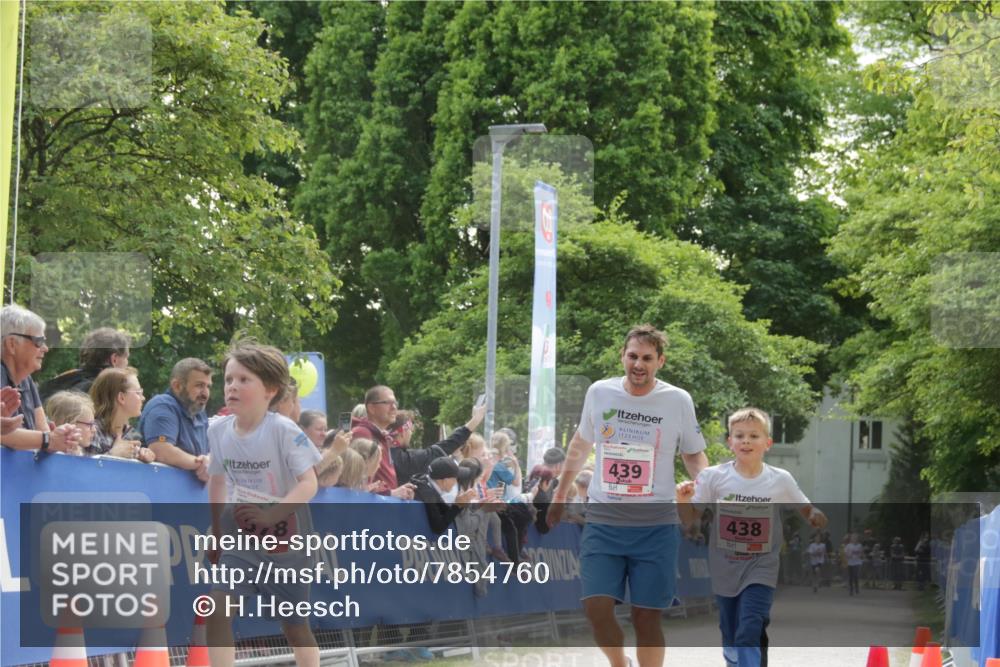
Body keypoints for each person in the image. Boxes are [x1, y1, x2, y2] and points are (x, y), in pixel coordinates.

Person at [547, 324, 709, 667]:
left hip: (656, 525)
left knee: (646, 617)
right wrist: (560, 494)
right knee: (595, 608)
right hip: (605, 521)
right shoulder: (599, 392)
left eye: (647, 358)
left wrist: (707, 493)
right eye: (632, 356)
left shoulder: (677, 400)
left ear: (660, 361)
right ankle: (619, 663)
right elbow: (580, 444)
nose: (638, 364)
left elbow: (693, 454)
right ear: (622, 356)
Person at [677, 407, 826, 667]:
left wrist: (814, 514)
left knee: (749, 627)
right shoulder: (713, 477)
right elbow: (689, 522)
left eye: (754, 436)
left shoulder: (780, 479)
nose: (746, 441)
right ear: (730, 442)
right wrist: (681, 500)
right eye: (739, 435)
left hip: (762, 566)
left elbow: (805, 508)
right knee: (732, 633)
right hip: (725, 568)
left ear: (767, 443)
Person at [205, 341, 322, 667]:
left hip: (287, 539)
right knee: (217, 608)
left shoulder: (284, 429)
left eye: (244, 380)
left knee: (295, 627)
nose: (232, 386)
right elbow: (216, 481)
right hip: (240, 534)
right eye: (229, 379)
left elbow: (309, 483)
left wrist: (272, 514)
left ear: (270, 389)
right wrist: (216, 532)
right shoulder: (217, 430)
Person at [0, 304, 80, 452]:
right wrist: (49, 440)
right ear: (11, 344)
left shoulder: (26, 379)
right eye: (38, 341)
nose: (45, 348)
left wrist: (63, 437)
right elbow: (4, 435)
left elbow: (45, 434)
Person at [138, 358, 212, 479]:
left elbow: (211, 452)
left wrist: (209, 460)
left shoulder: (199, 412)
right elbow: (161, 451)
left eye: (208, 386)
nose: (206, 393)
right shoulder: (163, 406)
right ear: (177, 386)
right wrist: (202, 464)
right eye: (199, 385)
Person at [387, 404, 485, 485]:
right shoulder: (405, 460)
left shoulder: (380, 454)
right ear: (403, 432)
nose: (411, 433)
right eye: (411, 430)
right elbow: (445, 447)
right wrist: (475, 421)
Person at [39, 327, 131, 401]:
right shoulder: (102, 392)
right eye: (126, 358)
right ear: (114, 359)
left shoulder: (65, 380)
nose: (127, 363)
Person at [88, 367, 156, 462]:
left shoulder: (131, 435)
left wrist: (142, 457)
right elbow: (84, 472)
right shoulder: (92, 431)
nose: (143, 398)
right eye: (138, 393)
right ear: (121, 398)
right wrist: (113, 455)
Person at [410, 456, 478, 534]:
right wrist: (457, 505)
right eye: (455, 478)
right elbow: (438, 528)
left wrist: (460, 503)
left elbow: (442, 513)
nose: (456, 482)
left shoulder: (425, 483)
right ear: (445, 480)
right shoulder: (427, 495)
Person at [44, 391, 98, 456]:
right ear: (69, 424)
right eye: (90, 424)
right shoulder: (54, 454)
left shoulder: (79, 452)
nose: (94, 430)